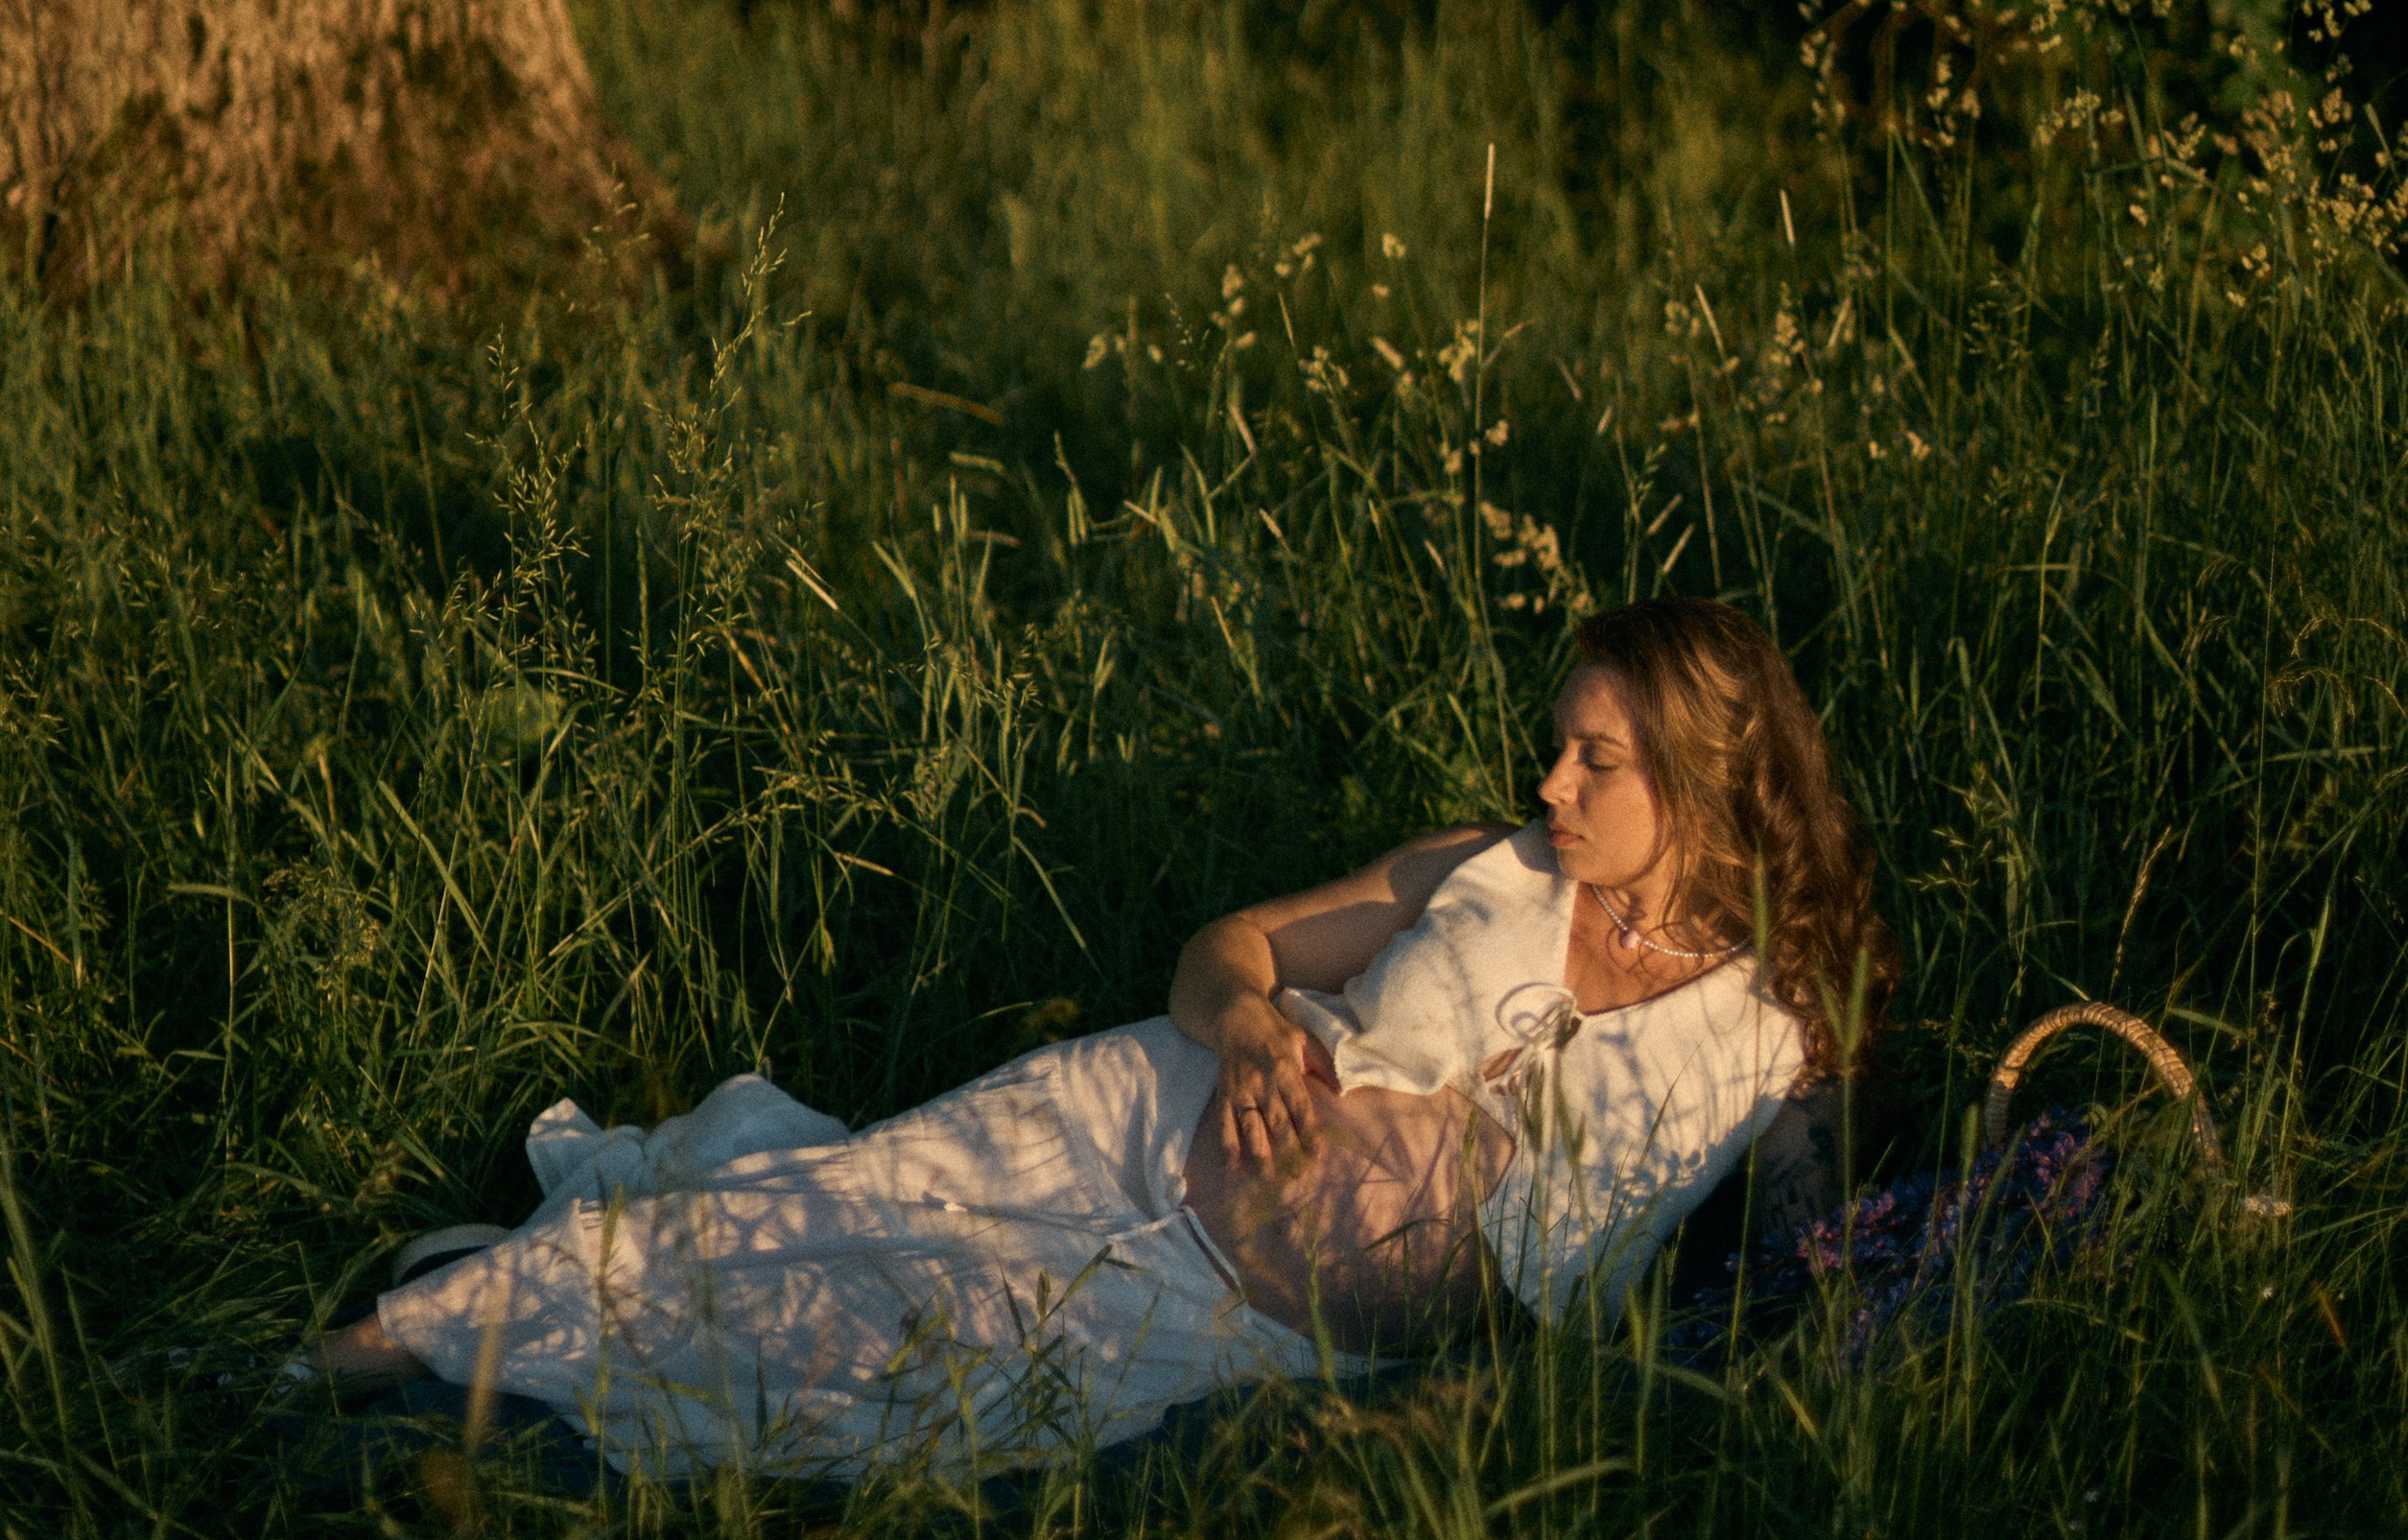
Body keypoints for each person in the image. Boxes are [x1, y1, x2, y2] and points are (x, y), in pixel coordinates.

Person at [308, 598, 1895, 1480]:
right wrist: (1258, 1024)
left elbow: (1808, 1259)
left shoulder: (1767, 1038)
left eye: (1592, 759)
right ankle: (350, 1359)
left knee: (848, 1361)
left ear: (1702, 782)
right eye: (1556, 745)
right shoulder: (1479, 867)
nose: (1549, 782)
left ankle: (483, 1418)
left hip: (1228, 1319)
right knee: (805, 1214)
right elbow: (1227, 947)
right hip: (1127, 1121)